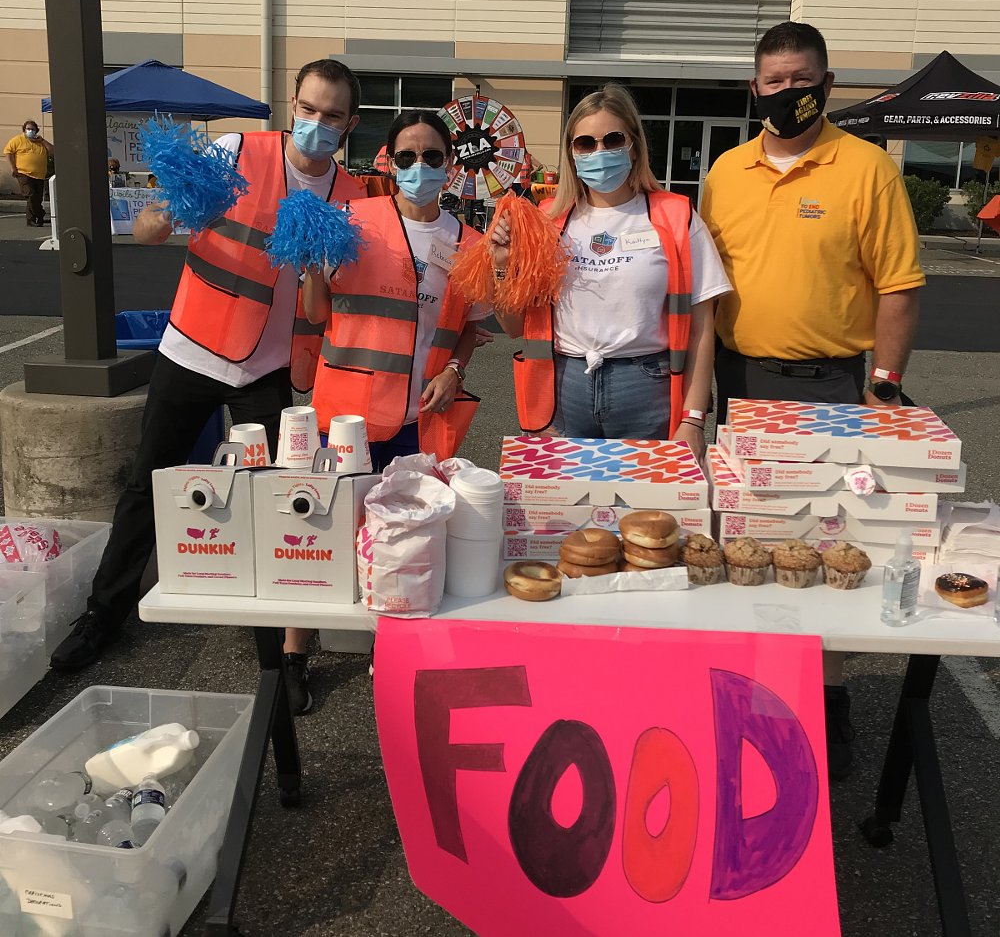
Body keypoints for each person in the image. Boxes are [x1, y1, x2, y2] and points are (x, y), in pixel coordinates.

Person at [50, 59, 369, 718]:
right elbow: (147, 230)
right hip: (191, 347)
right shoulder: (233, 150)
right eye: (308, 109)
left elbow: (317, 309)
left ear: (350, 124)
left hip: (268, 369)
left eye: (332, 115)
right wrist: (159, 222)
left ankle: (281, 648)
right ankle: (103, 615)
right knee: (148, 484)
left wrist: (312, 266)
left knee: (282, 501)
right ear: (292, 104)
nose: (317, 124)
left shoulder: (349, 196)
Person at [701, 21, 925, 779]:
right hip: (735, 379)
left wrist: (886, 385)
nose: (789, 92)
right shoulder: (725, 172)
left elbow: (898, 285)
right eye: (775, 80)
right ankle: (739, 704)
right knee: (739, 544)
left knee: (819, 547)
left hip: (826, 386)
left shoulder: (866, 169)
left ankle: (825, 710)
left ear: (827, 85)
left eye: (804, 79)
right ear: (754, 89)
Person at [489, 84, 730, 459]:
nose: (599, 152)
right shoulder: (547, 221)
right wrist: (501, 266)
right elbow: (514, 327)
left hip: (647, 387)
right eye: (585, 143)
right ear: (571, 153)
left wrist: (694, 419)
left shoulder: (676, 216)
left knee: (647, 509)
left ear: (633, 144)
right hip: (562, 387)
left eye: (612, 139)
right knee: (565, 510)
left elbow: (702, 329)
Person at [303, 110, 487, 470]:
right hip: (345, 419)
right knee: (342, 522)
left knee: (407, 523)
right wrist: (311, 266)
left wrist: (455, 370)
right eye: (407, 157)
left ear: (449, 163)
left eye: (432, 156)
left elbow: (466, 325)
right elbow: (315, 313)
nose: (420, 166)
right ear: (391, 163)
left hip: (421, 418)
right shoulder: (349, 219)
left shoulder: (469, 244)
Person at [4, 119, 53, 227]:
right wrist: (13, 168)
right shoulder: (18, 140)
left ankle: (37, 218)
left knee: (37, 198)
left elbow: (52, 151)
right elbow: (8, 152)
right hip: (23, 173)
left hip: (39, 175)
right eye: (28, 129)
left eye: (32, 129)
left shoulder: (40, 142)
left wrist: (42, 141)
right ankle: (37, 216)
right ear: (24, 130)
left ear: (36, 131)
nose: (30, 131)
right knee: (30, 195)